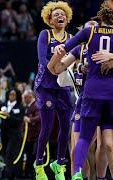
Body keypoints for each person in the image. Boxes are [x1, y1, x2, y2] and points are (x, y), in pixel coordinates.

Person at [49, 1, 113, 179]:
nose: (93, 28)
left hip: (100, 94)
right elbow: (60, 72)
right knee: (78, 146)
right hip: (84, 99)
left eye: (95, 25)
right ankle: (78, 175)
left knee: (104, 146)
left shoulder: (102, 43)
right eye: (89, 26)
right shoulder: (78, 49)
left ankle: (100, 177)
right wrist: (73, 68)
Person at [33, 1, 73, 179]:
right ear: (49, 19)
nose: (60, 16)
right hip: (46, 86)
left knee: (66, 127)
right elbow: (43, 61)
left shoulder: (72, 37)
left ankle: (59, 163)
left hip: (63, 86)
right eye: (56, 14)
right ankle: (39, 164)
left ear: (67, 17)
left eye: (62, 14)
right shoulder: (45, 35)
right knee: (47, 127)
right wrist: (59, 58)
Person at [1, 89, 24, 179]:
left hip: (15, 135)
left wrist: (9, 117)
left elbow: (20, 121)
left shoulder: (20, 107)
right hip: (4, 134)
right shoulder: (3, 105)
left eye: (13, 94)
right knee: (5, 153)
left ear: (17, 96)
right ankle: (8, 174)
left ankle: (10, 175)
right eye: (10, 94)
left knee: (10, 153)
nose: (11, 96)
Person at [22, 90, 41, 178]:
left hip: (35, 136)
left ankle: (34, 174)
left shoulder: (36, 105)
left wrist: (30, 120)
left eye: (25, 97)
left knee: (34, 156)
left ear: (30, 96)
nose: (24, 99)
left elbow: (39, 117)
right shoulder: (28, 106)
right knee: (29, 156)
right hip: (30, 136)